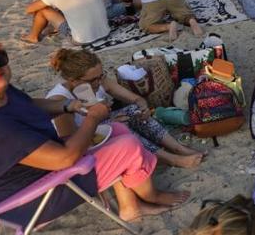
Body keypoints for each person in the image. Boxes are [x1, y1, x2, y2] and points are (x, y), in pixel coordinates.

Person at [0, 34, 190, 225]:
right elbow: (65, 158)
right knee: (128, 147)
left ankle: (132, 206)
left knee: (117, 130)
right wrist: (93, 117)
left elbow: (29, 105)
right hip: (30, 198)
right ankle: (152, 195)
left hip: (40, 172)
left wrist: (67, 105)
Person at [46, 48, 204, 168]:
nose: (99, 82)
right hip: (85, 143)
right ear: (72, 80)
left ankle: (177, 148)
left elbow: (132, 98)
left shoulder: (99, 80)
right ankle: (171, 159)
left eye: (101, 75)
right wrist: (106, 121)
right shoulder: (60, 101)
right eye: (93, 79)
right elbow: (73, 141)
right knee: (119, 126)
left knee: (133, 111)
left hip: (100, 125)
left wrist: (142, 104)